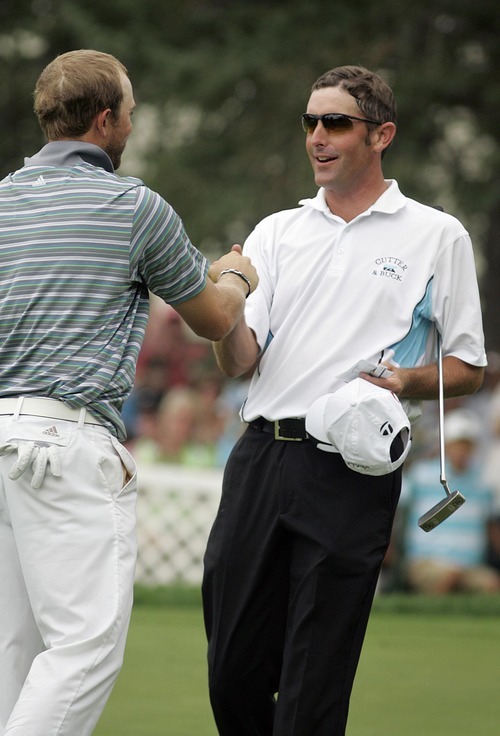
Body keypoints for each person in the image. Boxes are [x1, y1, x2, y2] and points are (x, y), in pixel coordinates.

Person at [202, 65, 486, 736]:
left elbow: (468, 366)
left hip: (352, 471)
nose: (318, 137)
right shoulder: (276, 231)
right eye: (310, 123)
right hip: (261, 458)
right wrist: (219, 310)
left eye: (336, 123)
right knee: (231, 668)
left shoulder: (436, 234)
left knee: (315, 679)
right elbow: (243, 360)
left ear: (381, 134)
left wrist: (403, 382)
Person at [0, 49, 257, 736]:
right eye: (132, 115)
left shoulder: (2, 200)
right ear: (106, 119)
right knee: (83, 651)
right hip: (66, 443)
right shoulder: (134, 206)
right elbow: (215, 319)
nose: (133, 127)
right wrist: (235, 275)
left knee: (14, 656)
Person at [402, 408, 500, 594]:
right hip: (426, 563)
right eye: (457, 444)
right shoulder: (421, 473)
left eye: (467, 445)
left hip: (469, 567)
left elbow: (490, 528)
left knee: (492, 585)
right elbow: (398, 506)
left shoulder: (483, 481)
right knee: (447, 578)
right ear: (445, 445)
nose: (462, 451)